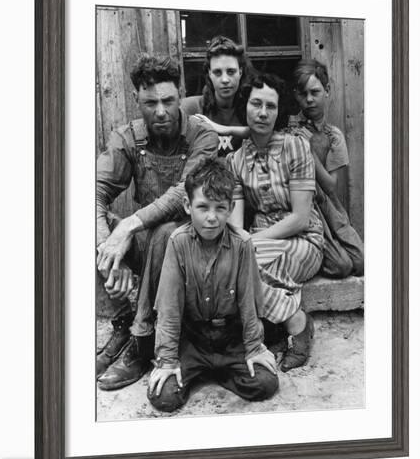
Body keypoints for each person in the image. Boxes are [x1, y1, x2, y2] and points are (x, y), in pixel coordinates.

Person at [96, 54, 219, 390]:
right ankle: (123, 321)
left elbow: (184, 194)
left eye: (168, 101)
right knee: (89, 224)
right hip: (147, 245)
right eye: (150, 103)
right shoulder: (127, 138)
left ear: (180, 95)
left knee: (168, 231)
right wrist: (110, 250)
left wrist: (129, 224)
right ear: (137, 99)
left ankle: (141, 342)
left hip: (194, 251)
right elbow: (92, 192)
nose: (161, 111)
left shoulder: (202, 138)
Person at [147, 159, 278, 412]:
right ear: (187, 206)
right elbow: (169, 308)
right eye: (202, 207)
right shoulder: (178, 242)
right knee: (164, 397)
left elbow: (248, 302)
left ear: (230, 208)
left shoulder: (242, 244)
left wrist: (253, 349)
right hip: (193, 338)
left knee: (264, 383)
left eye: (220, 208)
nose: (211, 218)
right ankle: (203, 368)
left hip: (231, 338)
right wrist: (166, 360)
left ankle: (217, 370)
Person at [227, 73, 324, 372]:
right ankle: (292, 318)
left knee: (257, 269)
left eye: (270, 106)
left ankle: (295, 328)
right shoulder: (235, 161)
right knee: (234, 265)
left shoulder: (295, 147)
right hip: (257, 237)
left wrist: (250, 243)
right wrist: (243, 241)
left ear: (278, 111)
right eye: (256, 104)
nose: (263, 112)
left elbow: (300, 217)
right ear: (245, 106)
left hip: (303, 239)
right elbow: (235, 223)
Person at [289, 59, 364, 277]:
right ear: (296, 95)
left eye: (315, 92)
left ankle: (332, 247)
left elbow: (331, 186)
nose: (309, 99)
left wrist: (309, 152)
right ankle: (315, 255)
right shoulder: (289, 127)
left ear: (327, 91)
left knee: (360, 263)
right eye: (303, 94)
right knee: (342, 266)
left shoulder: (334, 136)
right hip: (303, 204)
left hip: (328, 205)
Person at [181, 35, 252, 156]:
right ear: (209, 74)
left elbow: (269, 134)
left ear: (240, 72)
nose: (225, 79)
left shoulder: (251, 107)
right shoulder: (192, 108)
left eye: (231, 72)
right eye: (217, 72)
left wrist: (222, 129)